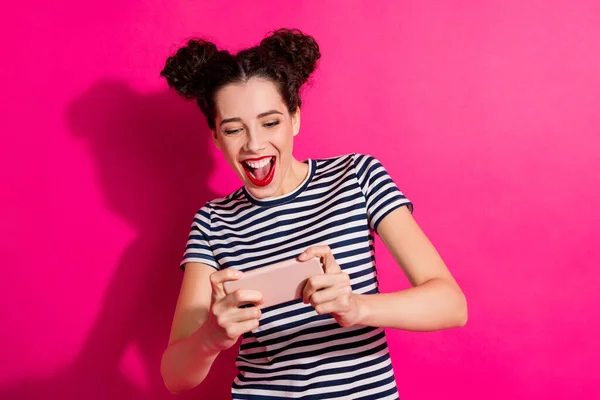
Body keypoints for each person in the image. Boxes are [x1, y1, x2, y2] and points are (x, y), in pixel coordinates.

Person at [158, 28, 467, 399]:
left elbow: (451, 305)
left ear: (295, 119)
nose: (254, 144)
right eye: (234, 129)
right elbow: (175, 376)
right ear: (216, 137)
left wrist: (356, 308)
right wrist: (212, 336)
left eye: (270, 122)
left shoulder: (357, 176)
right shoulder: (212, 222)